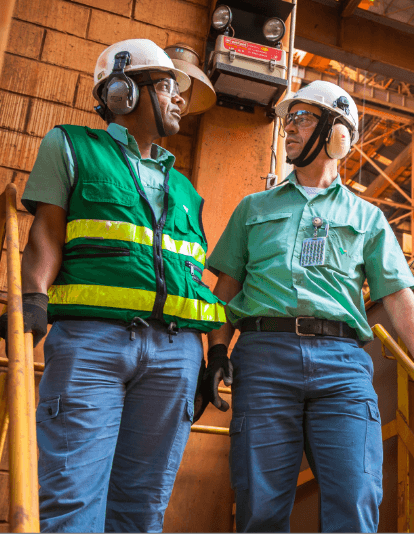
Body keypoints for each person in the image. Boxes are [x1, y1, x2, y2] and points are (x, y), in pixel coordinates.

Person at [0, 39, 226, 533]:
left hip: (175, 354)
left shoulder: (185, 189)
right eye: (168, 86)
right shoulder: (71, 145)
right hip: (91, 343)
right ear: (123, 92)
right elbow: (48, 231)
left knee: (142, 509)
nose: (180, 99)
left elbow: (191, 279)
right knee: (70, 500)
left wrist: (210, 354)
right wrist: (33, 298)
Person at [203, 80, 414, 533]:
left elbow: (399, 299)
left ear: (337, 133)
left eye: (302, 118)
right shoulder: (252, 208)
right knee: (259, 505)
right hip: (263, 359)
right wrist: (217, 352)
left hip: (343, 367)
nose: (290, 130)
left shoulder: (368, 218)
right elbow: (224, 290)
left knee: (356, 498)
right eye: (288, 121)